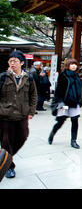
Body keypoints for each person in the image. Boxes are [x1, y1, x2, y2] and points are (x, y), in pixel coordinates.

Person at [0, 50, 37, 179]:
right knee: (6, 141)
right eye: (10, 61)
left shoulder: (29, 78)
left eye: (15, 61)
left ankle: (4, 158)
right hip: (5, 115)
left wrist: (31, 111)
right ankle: (9, 167)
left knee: (22, 137)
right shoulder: (3, 77)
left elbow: (33, 95)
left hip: (22, 114)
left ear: (22, 62)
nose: (12, 63)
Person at [48, 58, 82, 149]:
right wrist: (60, 101)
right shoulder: (63, 75)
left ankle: (73, 141)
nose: (74, 66)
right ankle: (52, 133)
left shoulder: (76, 76)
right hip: (65, 104)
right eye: (72, 64)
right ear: (68, 65)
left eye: (75, 64)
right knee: (61, 120)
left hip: (74, 103)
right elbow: (58, 90)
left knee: (75, 121)